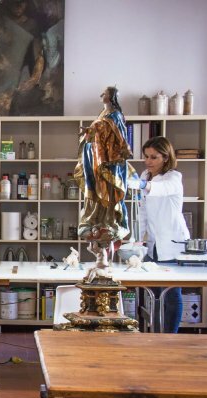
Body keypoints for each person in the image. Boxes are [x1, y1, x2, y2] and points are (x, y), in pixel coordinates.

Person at [74, 86, 136, 275]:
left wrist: (96, 128)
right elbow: (98, 133)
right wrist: (91, 132)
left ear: (111, 96)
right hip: (96, 160)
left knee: (107, 193)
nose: (102, 96)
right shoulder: (104, 112)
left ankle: (106, 230)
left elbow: (115, 134)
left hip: (107, 163)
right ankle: (100, 248)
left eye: (105, 93)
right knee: (94, 195)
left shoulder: (115, 114)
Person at [131, 136, 190, 333]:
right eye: (146, 157)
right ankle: (156, 333)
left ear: (165, 157)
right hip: (154, 244)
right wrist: (138, 239)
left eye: (153, 157)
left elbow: (160, 190)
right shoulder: (145, 176)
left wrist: (139, 186)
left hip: (173, 243)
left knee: (171, 294)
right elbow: (142, 211)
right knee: (154, 293)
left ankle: (169, 337)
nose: (148, 162)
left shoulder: (173, 177)